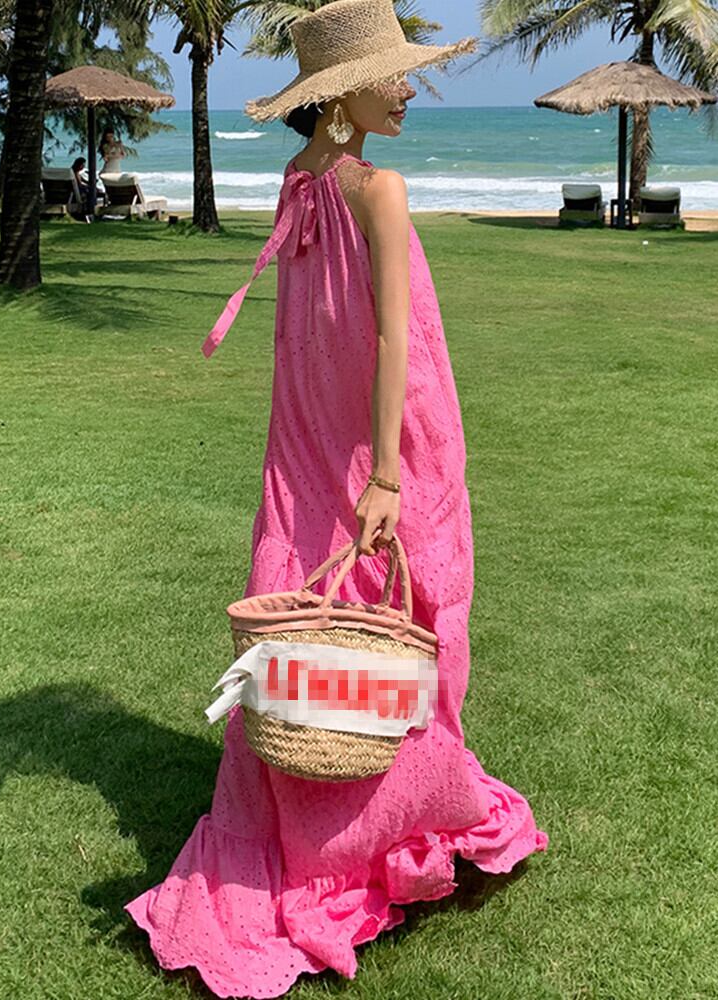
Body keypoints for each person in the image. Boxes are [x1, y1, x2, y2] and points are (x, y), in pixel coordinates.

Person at [123, 1, 549, 996]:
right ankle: (377, 838)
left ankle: (325, 831)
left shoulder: (300, 176)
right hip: (386, 440)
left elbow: (309, 329)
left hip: (311, 434)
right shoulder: (377, 188)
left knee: (315, 630)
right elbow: (392, 336)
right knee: (410, 620)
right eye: (392, 76)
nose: (408, 90)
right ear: (339, 95)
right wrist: (388, 475)